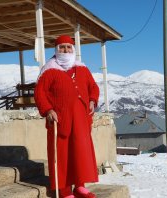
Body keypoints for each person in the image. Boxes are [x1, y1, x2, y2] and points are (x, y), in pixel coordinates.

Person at [34, 35, 100, 198]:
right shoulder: (49, 69)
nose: (65, 50)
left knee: (80, 152)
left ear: (73, 50)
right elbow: (39, 93)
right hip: (60, 120)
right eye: (62, 47)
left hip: (81, 120)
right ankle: (63, 191)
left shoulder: (82, 68)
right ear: (56, 50)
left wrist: (92, 99)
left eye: (69, 47)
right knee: (61, 155)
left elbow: (93, 86)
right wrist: (48, 110)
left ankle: (79, 186)